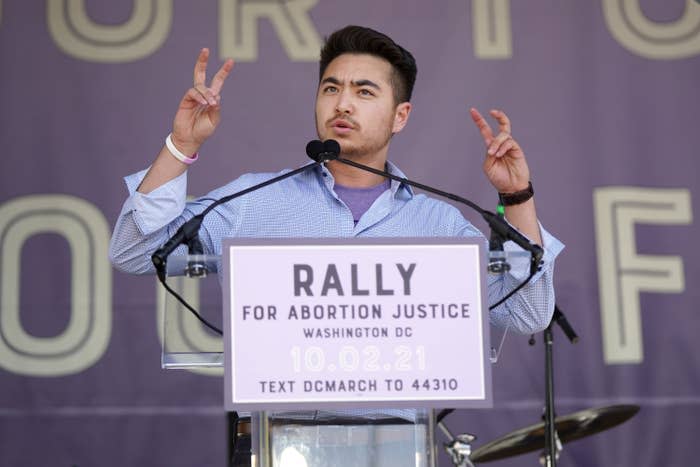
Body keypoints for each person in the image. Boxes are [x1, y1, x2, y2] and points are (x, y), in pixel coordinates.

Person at [109, 25, 563, 466]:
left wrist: (516, 198)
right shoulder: (251, 202)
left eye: (364, 92)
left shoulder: (438, 224)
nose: (343, 102)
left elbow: (528, 313)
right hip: (271, 446)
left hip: (397, 450)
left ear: (400, 116)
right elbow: (133, 250)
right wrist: (181, 145)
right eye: (331, 88)